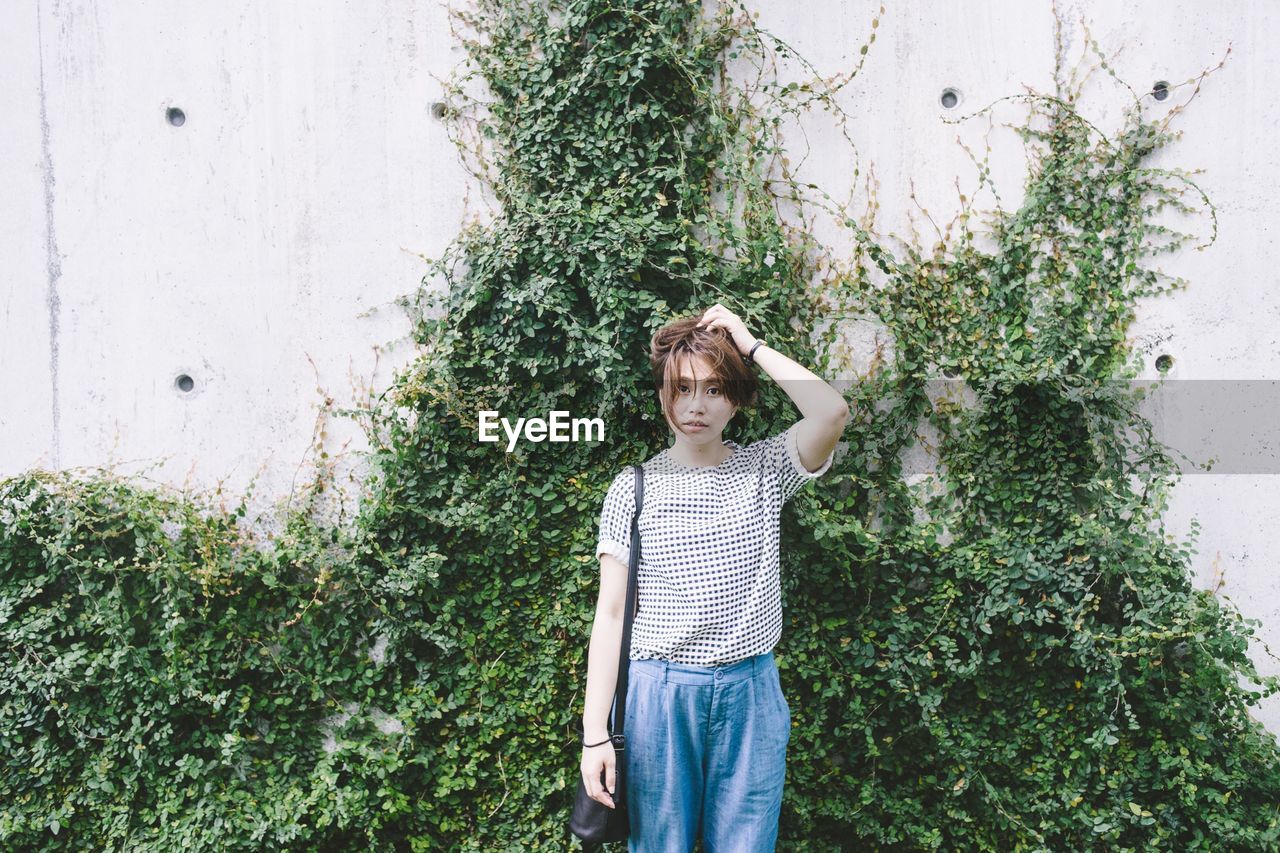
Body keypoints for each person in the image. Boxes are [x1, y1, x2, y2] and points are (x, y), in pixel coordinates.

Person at [579, 303, 850, 851]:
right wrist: (594, 737)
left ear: (736, 400)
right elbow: (610, 617)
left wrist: (750, 345)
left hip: (751, 693)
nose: (695, 406)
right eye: (681, 388)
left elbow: (830, 413)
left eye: (713, 390)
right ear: (662, 395)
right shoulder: (633, 489)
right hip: (659, 695)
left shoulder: (766, 469)